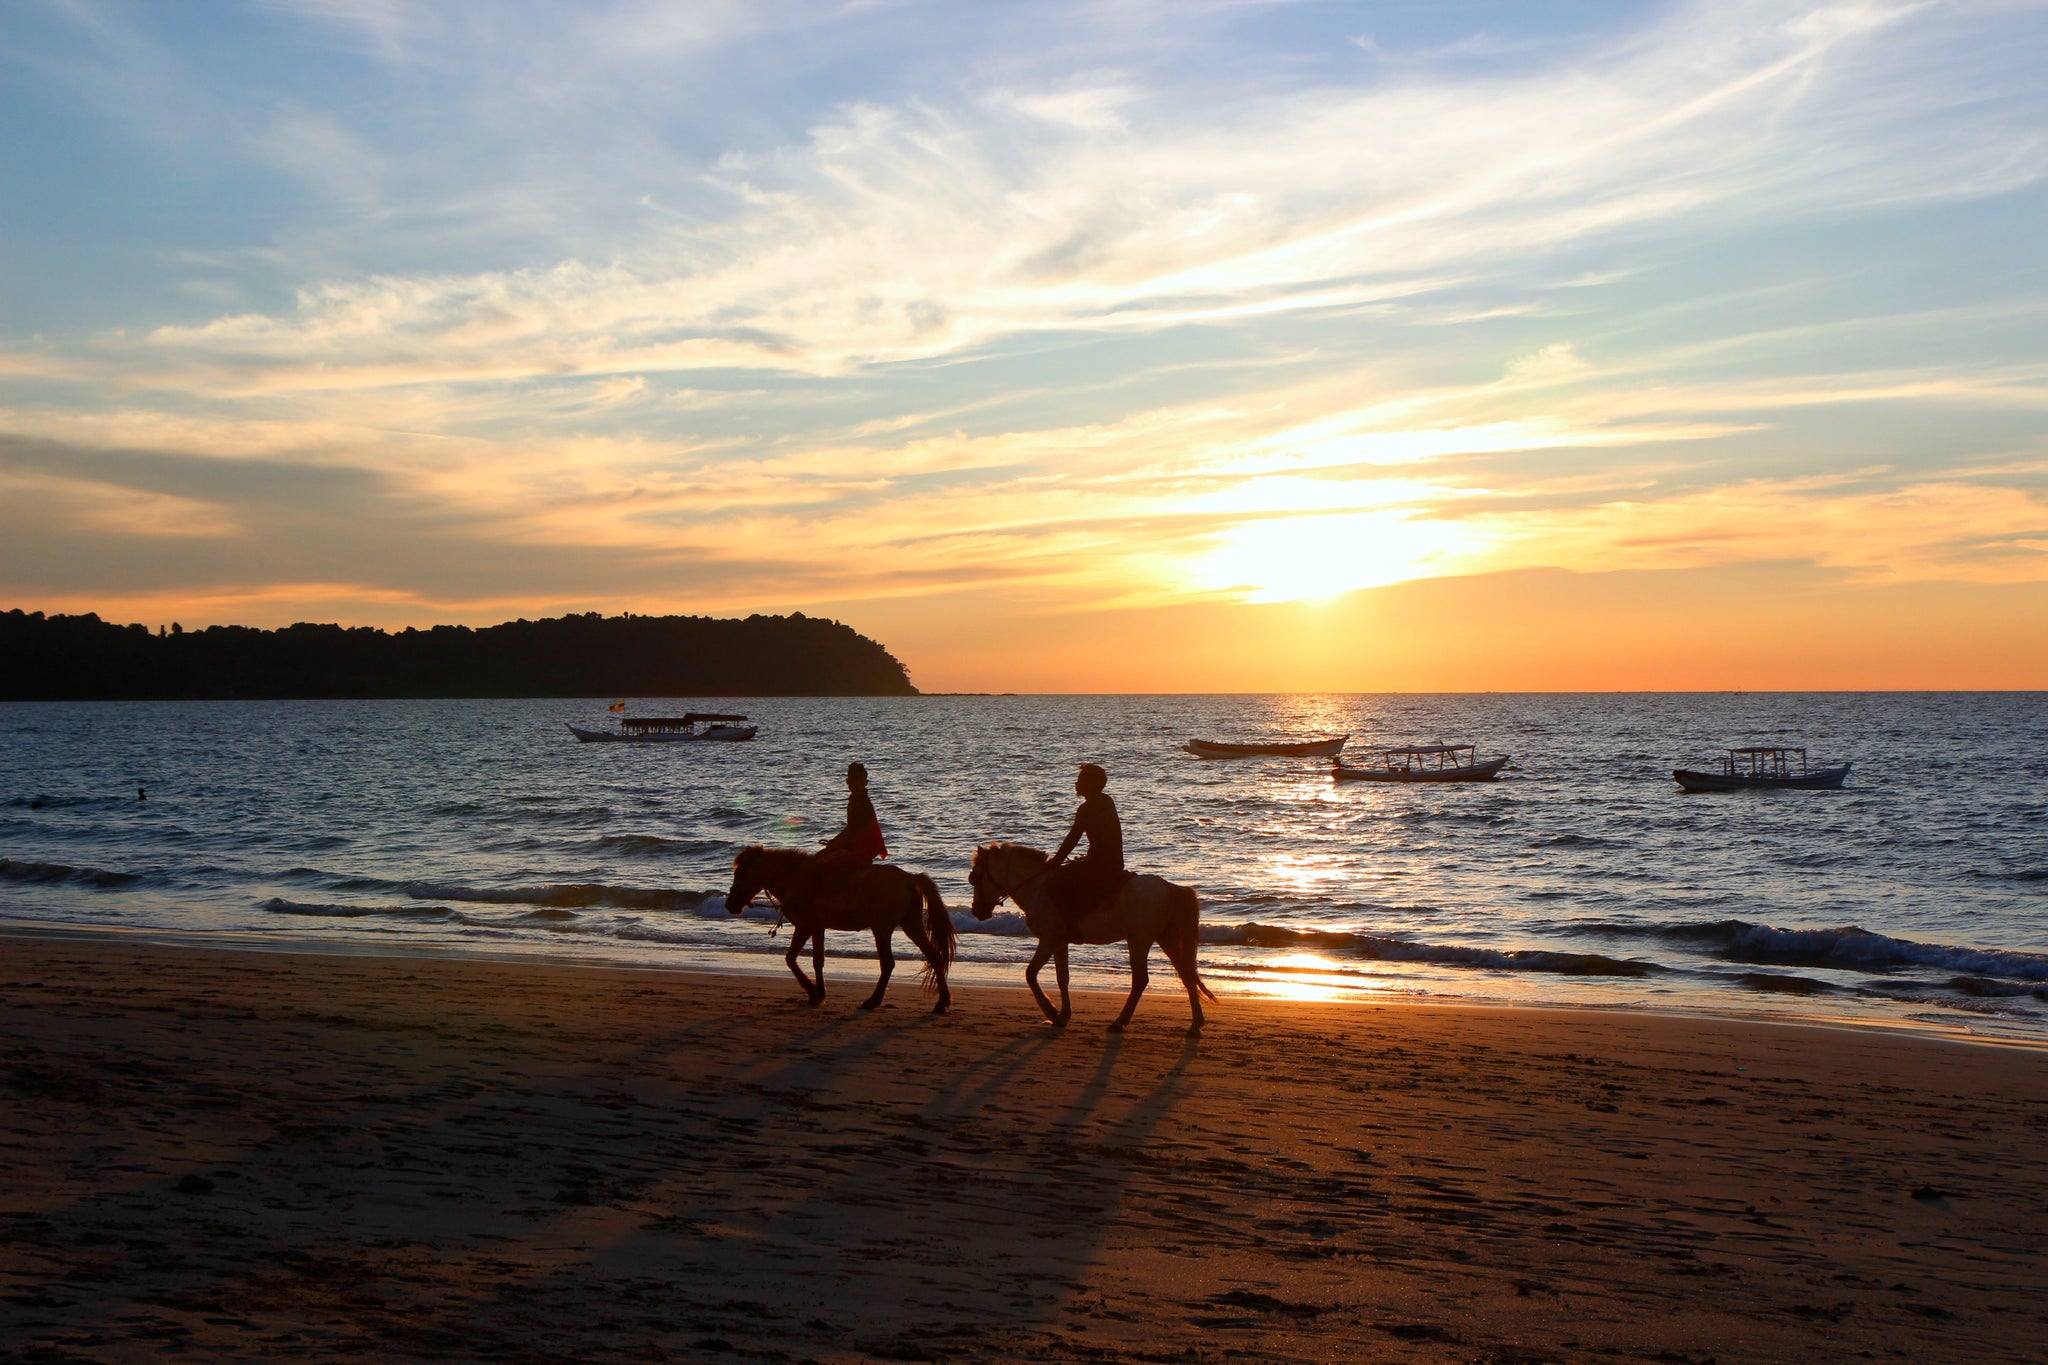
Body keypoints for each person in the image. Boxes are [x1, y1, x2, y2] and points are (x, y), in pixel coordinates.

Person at [1046, 762, 1126, 942]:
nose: (1077, 784)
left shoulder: (1087, 808)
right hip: (1112, 862)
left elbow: (1073, 838)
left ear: (1093, 784)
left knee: (1053, 885)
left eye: (1081, 780)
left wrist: (1056, 861)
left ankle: (1071, 928)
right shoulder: (1106, 801)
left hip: (1100, 864)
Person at [804, 763, 887, 907]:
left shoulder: (861, 801)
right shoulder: (856, 799)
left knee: (820, 863)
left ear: (865, 782)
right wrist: (835, 842)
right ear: (847, 782)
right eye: (852, 780)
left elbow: (853, 829)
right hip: (857, 845)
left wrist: (835, 842)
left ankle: (830, 902)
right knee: (821, 857)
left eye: (858, 780)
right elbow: (852, 829)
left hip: (862, 849)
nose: (855, 784)